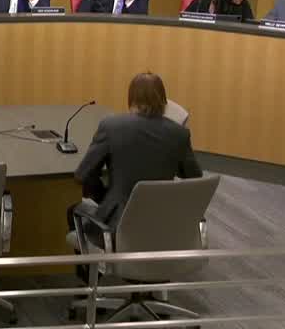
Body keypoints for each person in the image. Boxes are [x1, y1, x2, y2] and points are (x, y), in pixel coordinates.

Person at [73, 72, 204, 229]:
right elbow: (194, 177)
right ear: (164, 101)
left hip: (118, 225)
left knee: (72, 212)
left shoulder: (111, 126)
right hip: (163, 224)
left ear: (131, 99)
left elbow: (83, 175)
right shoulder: (179, 134)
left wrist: (105, 197)